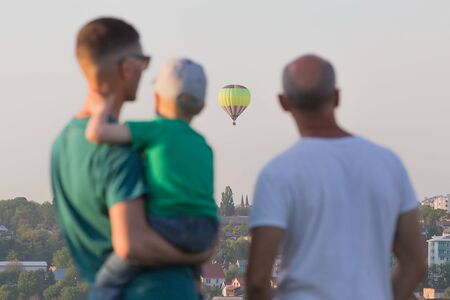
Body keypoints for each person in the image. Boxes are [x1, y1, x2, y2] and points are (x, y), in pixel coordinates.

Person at [51, 17, 210, 300]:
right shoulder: (120, 153)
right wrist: (198, 253)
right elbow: (132, 244)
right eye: (144, 62)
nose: (145, 72)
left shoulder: (62, 145)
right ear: (127, 68)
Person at [246, 54, 427, 300]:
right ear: (337, 97)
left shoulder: (277, 174)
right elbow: (415, 264)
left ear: (283, 102)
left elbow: (257, 281)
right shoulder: (388, 163)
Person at [85, 58, 218, 300]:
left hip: (168, 224)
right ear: (201, 107)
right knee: (192, 276)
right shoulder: (204, 145)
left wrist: (103, 107)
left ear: (157, 99)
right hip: (205, 229)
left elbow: (97, 132)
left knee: (106, 281)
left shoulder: (155, 130)